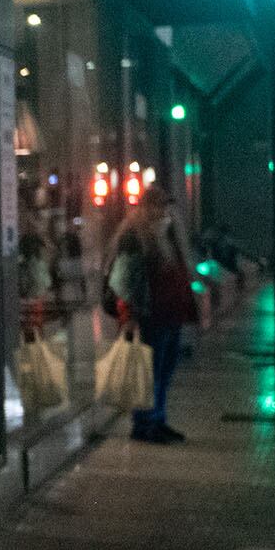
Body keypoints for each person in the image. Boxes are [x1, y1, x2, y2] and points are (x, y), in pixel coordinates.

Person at [108, 184, 196, 443]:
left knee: (164, 368)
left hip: (171, 312)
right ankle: (145, 422)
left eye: (166, 205)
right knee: (150, 370)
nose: (164, 211)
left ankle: (157, 418)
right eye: (158, 205)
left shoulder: (170, 235)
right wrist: (130, 313)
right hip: (151, 314)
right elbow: (124, 280)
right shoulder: (135, 236)